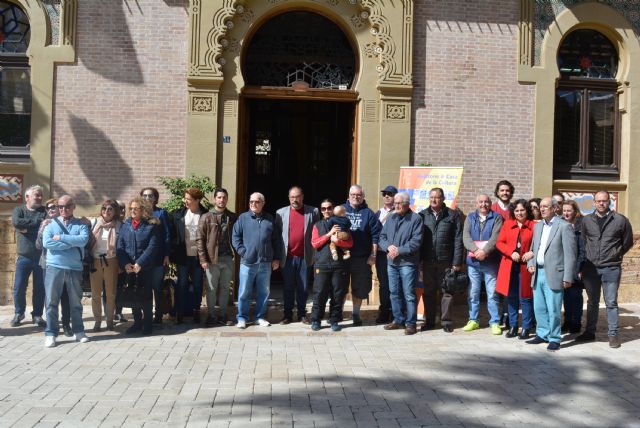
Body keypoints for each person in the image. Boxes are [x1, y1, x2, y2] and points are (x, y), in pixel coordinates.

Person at [577, 191, 634, 348]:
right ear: (594, 202)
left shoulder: (620, 220)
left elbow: (627, 242)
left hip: (611, 267)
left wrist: (615, 254)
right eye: (598, 201)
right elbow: (583, 241)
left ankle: (613, 335)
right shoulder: (586, 220)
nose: (601, 203)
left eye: (604, 201)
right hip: (591, 268)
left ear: (610, 202)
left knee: (611, 302)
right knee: (592, 301)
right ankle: (589, 332)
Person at [526, 197, 577, 351]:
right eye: (540, 207)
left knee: (553, 308)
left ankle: (554, 337)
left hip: (555, 273)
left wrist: (568, 277)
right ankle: (542, 333)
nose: (542, 209)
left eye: (546, 207)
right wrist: (530, 264)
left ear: (555, 208)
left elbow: (570, 254)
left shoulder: (564, 226)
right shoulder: (538, 226)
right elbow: (533, 248)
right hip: (538, 272)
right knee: (539, 307)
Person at [42, 195, 91, 347]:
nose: (64, 209)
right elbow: (47, 242)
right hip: (54, 267)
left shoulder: (81, 224)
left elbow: (83, 240)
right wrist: (70, 242)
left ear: (73, 206)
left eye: (67, 206)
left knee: (75, 302)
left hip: (74, 268)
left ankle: (79, 331)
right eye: (61, 207)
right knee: (51, 302)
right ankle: (51, 333)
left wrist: (61, 237)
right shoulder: (50, 224)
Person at [232, 192, 283, 329]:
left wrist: (276, 258)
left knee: (264, 292)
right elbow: (235, 237)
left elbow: (277, 240)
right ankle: (242, 317)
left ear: (263, 203)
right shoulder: (243, 218)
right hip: (247, 263)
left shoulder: (269, 219)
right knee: (244, 292)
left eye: (256, 202)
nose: (253, 204)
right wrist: (244, 252)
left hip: (265, 263)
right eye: (251, 202)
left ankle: (259, 317)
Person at [419, 187, 464, 333]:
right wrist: (418, 261)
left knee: (447, 291)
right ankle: (430, 321)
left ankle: (446, 321)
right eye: (431, 197)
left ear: (443, 198)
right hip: (428, 260)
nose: (433, 200)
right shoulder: (422, 215)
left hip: (446, 261)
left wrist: (457, 261)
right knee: (429, 292)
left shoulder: (453, 215)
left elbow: (458, 239)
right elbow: (418, 240)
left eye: (437, 197)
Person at [379, 192, 423, 335]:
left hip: (408, 263)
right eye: (395, 203)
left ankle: (410, 323)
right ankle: (398, 320)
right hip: (392, 262)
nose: (395, 205)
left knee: (409, 294)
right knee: (394, 292)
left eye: (399, 203)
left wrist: (399, 250)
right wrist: (388, 247)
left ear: (407, 204)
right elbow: (382, 237)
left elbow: (416, 242)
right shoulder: (391, 218)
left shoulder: (416, 219)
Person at [116, 197, 161, 335]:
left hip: (145, 267)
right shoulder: (126, 225)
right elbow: (120, 246)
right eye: (131, 209)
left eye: (136, 208)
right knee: (133, 296)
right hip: (130, 268)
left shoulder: (151, 225)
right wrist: (125, 264)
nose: (132, 211)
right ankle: (137, 323)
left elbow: (152, 247)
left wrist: (140, 263)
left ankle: (147, 324)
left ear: (143, 210)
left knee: (146, 296)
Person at [275, 186, 319, 324]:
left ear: (302, 197)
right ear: (289, 198)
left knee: (303, 287)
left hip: (305, 257)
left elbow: (317, 232)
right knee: (288, 287)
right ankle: (287, 315)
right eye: (292, 197)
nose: (295, 199)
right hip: (287, 257)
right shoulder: (280, 213)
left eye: (297, 196)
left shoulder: (313, 211)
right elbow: (276, 236)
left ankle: (301, 314)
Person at [462, 194, 504, 335]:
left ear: (490, 203)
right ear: (476, 203)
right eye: (480, 202)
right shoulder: (470, 217)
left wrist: (485, 251)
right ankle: (473, 320)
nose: (483, 204)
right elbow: (466, 237)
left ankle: (495, 322)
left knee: (492, 294)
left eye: (486, 202)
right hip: (473, 262)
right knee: (473, 292)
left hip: (490, 261)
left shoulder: (497, 217)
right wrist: (475, 250)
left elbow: (496, 237)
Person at [309, 199, 353, 332]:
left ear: (333, 209)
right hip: (321, 264)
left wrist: (338, 241)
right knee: (319, 293)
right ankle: (316, 320)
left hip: (339, 264)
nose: (326, 211)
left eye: (329, 208)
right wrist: (329, 235)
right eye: (323, 208)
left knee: (338, 294)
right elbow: (315, 243)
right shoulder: (317, 225)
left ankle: (334, 320)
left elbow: (350, 243)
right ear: (321, 210)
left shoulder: (342, 222)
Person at [197, 188, 237, 327]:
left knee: (226, 287)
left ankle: (223, 314)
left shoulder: (232, 217)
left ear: (227, 199)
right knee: (211, 288)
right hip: (212, 259)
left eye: (224, 197)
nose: (222, 200)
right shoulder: (206, 217)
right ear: (215, 199)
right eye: (219, 197)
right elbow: (200, 239)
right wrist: (203, 259)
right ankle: (211, 315)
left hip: (227, 257)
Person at [495, 199, 535, 339]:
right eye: (517, 210)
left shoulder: (534, 225)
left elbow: (540, 244)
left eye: (522, 210)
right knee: (511, 297)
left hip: (526, 266)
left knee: (525, 297)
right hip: (510, 265)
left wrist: (532, 252)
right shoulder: (507, 224)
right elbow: (499, 243)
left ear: (527, 211)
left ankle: (526, 327)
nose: (519, 213)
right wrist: (511, 251)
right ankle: (512, 326)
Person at [342, 185, 381, 326]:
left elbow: (375, 236)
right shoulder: (341, 210)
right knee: (339, 286)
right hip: (342, 257)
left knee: (360, 287)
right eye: (353, 194)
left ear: (363, 196)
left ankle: (356, 314)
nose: (356, 197)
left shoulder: (369, 213)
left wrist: (373, 255)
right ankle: (338, 313)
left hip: (361, 257)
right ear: (348, 196)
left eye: (359, 195)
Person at [10, 184, 47, 327]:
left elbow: (44, 229)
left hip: (40, 257)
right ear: (27, 197)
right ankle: (19, 313)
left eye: (40, 195)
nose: (39, 198)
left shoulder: (44, 211)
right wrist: (37, 224)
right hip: (24, 257)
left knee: (39, 287)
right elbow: (16, 222)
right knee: (19, 287)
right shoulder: (18, 210)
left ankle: (37, 315)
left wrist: (25, 229)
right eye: (36, 195)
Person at [36, 199, 72, 337]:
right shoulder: (45, 224)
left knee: (66, 296)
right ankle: (53, 326)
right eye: (47, 207)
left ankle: (67, 324)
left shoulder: (66, 223)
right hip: (48, 265)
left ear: (60, 208)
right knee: (51, 297)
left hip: (66, 263)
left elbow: (71, 241)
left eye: (53, 207)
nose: (50, 209)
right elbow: (39, 245)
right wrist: (42, 230)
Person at [171, 188, 208, 324]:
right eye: (185, 198)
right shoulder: (178, 214)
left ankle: (196, 311)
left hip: (198, 257)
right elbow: (174, 235)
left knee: (198, 284)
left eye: (188, 199)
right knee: (182, 284)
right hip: (183, 256)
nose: (185, 201)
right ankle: (179, 312)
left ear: (197, 200)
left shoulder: (205, 214)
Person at [140, 187, 172, 324]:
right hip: (142, 258)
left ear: (155, 198)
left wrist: (166, 255)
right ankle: (146, 314)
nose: (147, 198)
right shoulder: (139, 213)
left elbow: (167, 235)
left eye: (150, 196)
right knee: (144, 287)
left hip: (158, 257)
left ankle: (158, 315)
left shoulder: (161, 213)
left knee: (157, 287)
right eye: (145, 196)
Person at [89, 199, 122, 332]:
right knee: (96, 294)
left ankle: (109, 321)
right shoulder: (94, 222)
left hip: (111, 260)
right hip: (96, 260)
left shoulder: (119, 225)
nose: (106, 212)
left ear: (115, 211)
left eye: (110, 209)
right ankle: (97, 321)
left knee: (111, 293)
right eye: (104, 209)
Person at [561, 200, 585, 334]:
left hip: (576, 268)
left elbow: (583, 251)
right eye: (564, 210)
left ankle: (576, 322)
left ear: (575, 211)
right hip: (562, 268)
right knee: (566, 297)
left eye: (569, 210)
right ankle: (567, 321)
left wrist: (578, 270)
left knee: (575, 296)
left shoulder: (580, 228)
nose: (566, 213)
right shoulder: (561, 225)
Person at [374, 185, 397, 324]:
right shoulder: (378, 213)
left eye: (390, 194)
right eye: (385, 194)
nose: (387, 196)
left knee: (396, 284)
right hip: (382, 254)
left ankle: (396, 313)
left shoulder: (400, 212)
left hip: (395, 254)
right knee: (384, 284)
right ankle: (384, 312)